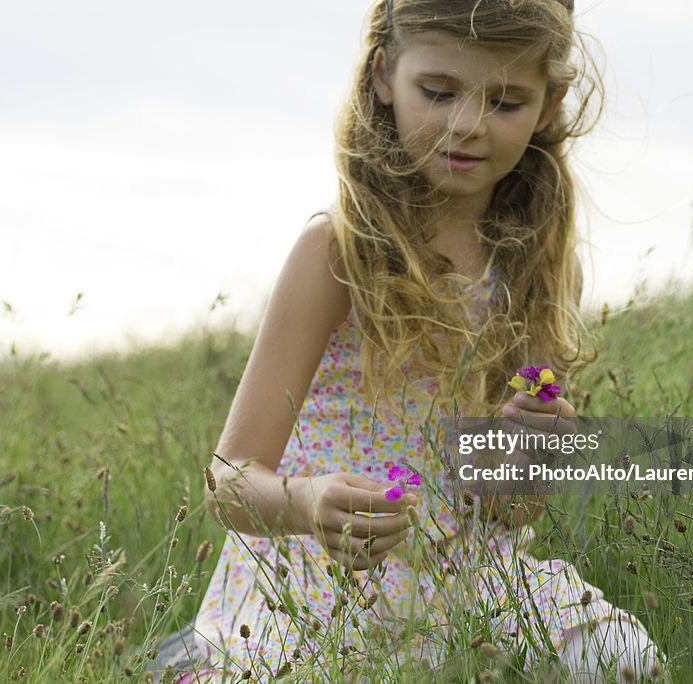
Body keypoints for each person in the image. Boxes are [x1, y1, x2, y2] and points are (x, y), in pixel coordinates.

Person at [165, 0, 664, 681]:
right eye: (438, 92)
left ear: (549, 106)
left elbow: (510, 506)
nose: (467, 125)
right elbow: (228, 480)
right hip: (317, 584)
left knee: (621, 661)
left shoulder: (538, 264)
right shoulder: (337, 251)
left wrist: (536, 453)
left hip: (469, 579)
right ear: (382, 76)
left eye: (506, 102)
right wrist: (308, 502)